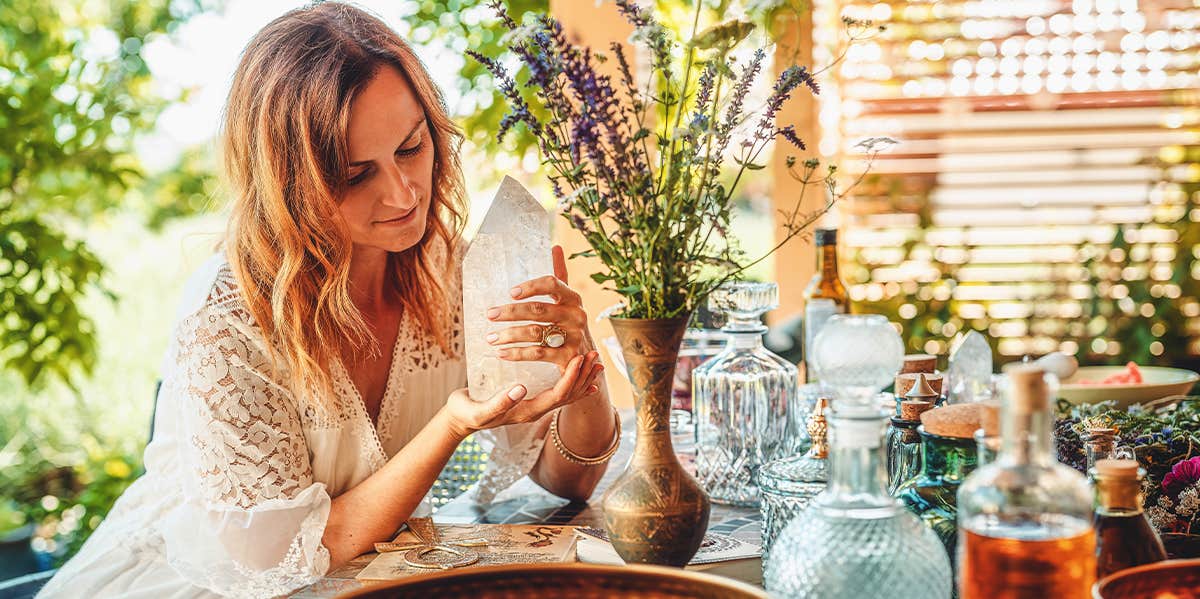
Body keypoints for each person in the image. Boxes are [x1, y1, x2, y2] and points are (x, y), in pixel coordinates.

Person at [38, 4, 618, 597]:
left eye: (411, 148)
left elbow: (563, 480)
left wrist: (583, 371)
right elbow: (284, 558)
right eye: (354, 173)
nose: (401, 193)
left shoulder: (448, 267)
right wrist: (448, 427)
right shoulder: (228, 320)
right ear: (289, 182)